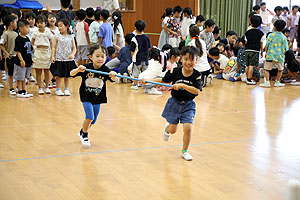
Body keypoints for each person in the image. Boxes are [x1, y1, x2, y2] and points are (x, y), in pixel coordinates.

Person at [140, 46, 202, 161]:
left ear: (196, 60)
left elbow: (196, 91)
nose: (188, 62)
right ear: (181, 59)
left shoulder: (197, 75)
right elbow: (163, 80)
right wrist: (147, 80)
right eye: (185, 59)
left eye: (191, 59)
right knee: (173, 129)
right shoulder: (175, 71)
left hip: (188, 105)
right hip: (174, 103)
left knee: (188, 128)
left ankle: (185, 151)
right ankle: (167, 130)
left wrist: (182, 86)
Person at [70, 44, 116, 148]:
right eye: (97, 56)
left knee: (93, 120)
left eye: (103, 56)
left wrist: (113, 75)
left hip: (98, 97)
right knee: (89, 116)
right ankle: (85, 136)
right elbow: (72, 74)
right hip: (86, 96)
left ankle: (82, 131)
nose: (100, 58)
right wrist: (78, 69)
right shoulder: (86, 68)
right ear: (91, 57)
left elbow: (113, 80)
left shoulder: (105, 69)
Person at [50, 18, 77, 96]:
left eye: (61, 26)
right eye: (58, 26)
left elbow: (74, 47)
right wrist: (52, 56)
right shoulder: (57, 36)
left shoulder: (71, 36)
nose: (59, 28)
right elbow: (54, 47)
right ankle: (58, 89)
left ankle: (66, 89)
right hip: (59, 58)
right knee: (58, 75)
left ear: (67, 26)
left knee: (67, 75)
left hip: (68, 59)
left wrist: (73, 54)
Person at [260, 20, 288, 88]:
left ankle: (267, 82)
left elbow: (266, 46)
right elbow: (286, 49)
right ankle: (277, 82)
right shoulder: (284, 37)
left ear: (274, 27)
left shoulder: (270, 35)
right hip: (280, 56)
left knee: (266, 69)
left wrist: (266, 53)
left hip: (270, 55)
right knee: (280, 69)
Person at [31, 15, 53, 95]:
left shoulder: (48, 31)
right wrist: (33, 50)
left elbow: (51, 42)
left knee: (47, 71)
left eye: (41, 22)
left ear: (45, 23)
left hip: (47, 52)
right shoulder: (35, 32)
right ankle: (40, 87)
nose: (40, 24)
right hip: (38, 51)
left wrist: (51, 53)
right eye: (38, 23)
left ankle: (47, 87)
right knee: (38, 71)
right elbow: (32, 42)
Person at [14, 20, 33, 98]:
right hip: (21, 61)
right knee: (20, 77)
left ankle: (24, 90)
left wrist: (31, 59)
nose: (28, 30)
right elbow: (18, 51)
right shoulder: (18, 39)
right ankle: (20, 91)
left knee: (24, 77)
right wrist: (21, 60)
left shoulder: (27, 38)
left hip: (28, 60)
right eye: (27, 28)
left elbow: (29, 50)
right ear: (21, 28)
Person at [130, 20, 151, 90]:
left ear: (135, 28)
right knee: (145, 72)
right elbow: (149, 47)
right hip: (145, 58)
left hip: (137, 58)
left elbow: (132, 50)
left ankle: (135, 85)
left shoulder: (134, 39)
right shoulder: (147, 37)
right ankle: (145, 85)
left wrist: (133, 57)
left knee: (135, 73)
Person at [0, 15, 18, 95]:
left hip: (17, 56)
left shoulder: (16, 33)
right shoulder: (5, 34)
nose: (16, 24)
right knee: (10, 73)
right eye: (15, 22)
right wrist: (6, 53)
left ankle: (18, 86)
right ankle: (11, 88)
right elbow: (1, 44)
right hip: (10, 56)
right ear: (11, 23)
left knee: (18, 73)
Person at [245, 15, 264, 85]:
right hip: (255, 50)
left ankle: (246, 78)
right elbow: (261, 43)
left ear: (251, 23)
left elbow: (245, 41)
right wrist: (262, 51)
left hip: (247, 50)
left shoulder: (247, 32)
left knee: (247, 65)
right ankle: (249, 79)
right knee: (251, 65)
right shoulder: (261, 33)